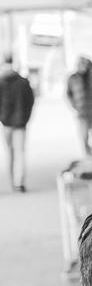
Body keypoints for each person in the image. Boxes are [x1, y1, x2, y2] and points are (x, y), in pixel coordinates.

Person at [0, 54, 35, 192]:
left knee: (10, 152)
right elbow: (30, 101)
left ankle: (13, 179)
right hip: (20, 123)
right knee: (20, 151)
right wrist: (26, 117)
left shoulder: (1, 82)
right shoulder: (23, 82)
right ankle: (18, 181)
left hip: (7, 123)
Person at [66, 54, 92, 155]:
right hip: (82, 113)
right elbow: (68, 94)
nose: (83, 66)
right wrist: (75, 105)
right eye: (80, 64)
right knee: (84, 137)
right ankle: (88, 155)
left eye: (85, 64)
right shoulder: (73, 78)